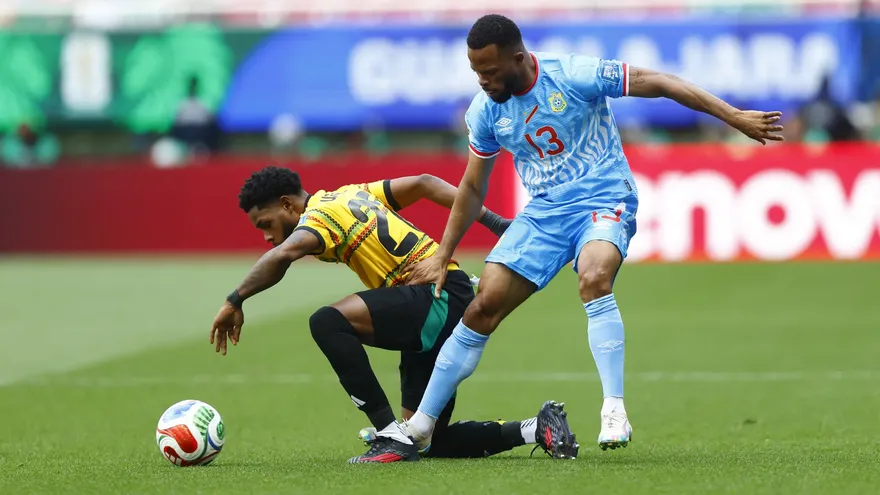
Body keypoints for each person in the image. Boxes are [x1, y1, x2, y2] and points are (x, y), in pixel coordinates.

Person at [401, 14, 785, 453]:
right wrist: (443, 252)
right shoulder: (485, 111)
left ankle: (614, 408)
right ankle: (422, 425)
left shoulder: (574, 74)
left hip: (604, 197)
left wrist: (733, 116)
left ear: (518, 58)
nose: (482, 81)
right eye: (475, 72)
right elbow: (472, 187)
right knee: (483, 305)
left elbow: (658, 80)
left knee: (594, 275)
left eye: (489, 72)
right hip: (545, 213)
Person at [209, 166, 578, 463]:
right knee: (427, 439)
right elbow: (423, 182)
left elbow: (281, 257)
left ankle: (388, 435)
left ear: (288, 205)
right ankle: (535, 428)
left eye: (266, 225)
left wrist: (235, 299)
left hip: (436, 297)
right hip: (436, 298)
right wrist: (496, 223)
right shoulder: (351, 194)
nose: (267, 238)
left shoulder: (317, 219)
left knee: (326, 321)